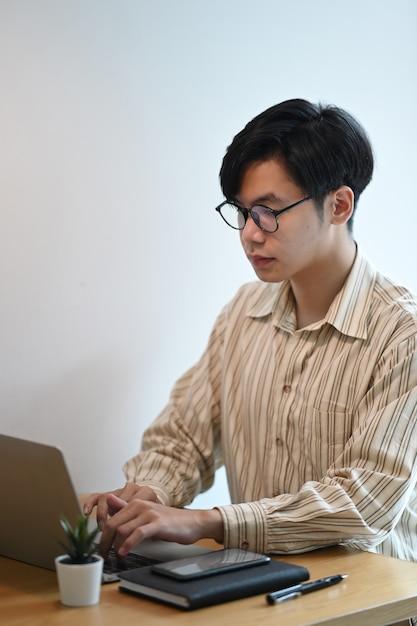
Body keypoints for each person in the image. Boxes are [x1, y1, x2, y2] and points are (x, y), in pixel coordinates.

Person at [84, 98, 417, 566]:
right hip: (259, 590)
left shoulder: (402, 334)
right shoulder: (244, 312)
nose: (249, 234)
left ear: (339, 205)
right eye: (241, 211)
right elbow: (182, 438)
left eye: (268, 211)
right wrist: (144, 496)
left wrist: (208, 521)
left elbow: (363, 501)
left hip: (367, 604)